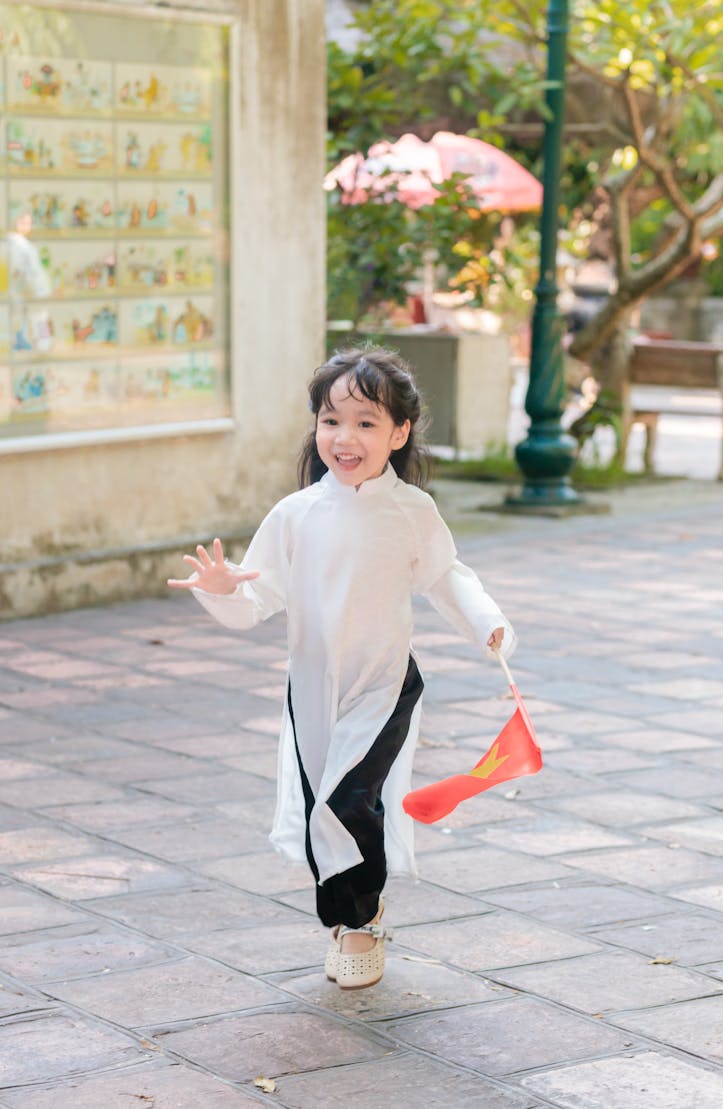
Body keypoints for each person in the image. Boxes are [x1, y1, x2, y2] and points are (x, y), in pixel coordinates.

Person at [167, 347, 516, 990]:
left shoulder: (412, 512)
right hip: (313, 693)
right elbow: (257, 602)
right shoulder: (295, 516)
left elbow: (446, 578)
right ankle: (347, 916)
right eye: (331, 420)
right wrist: (220, 589)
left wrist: (486, 624)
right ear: (315, 428)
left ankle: (361, 926)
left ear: (399, 432)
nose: (345, 437)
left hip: (384, 685)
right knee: (318, 811)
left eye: (365, 422)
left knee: (347, 802)